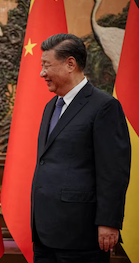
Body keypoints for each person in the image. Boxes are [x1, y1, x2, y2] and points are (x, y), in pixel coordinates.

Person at [31, 33, 131, 263]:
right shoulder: (50, 107)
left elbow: (114, 171)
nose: (42, 73)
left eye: (46, 65)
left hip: (81, 233)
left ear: (70, 64)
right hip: (45, 233)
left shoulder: (104, 107)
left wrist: (109, 222)